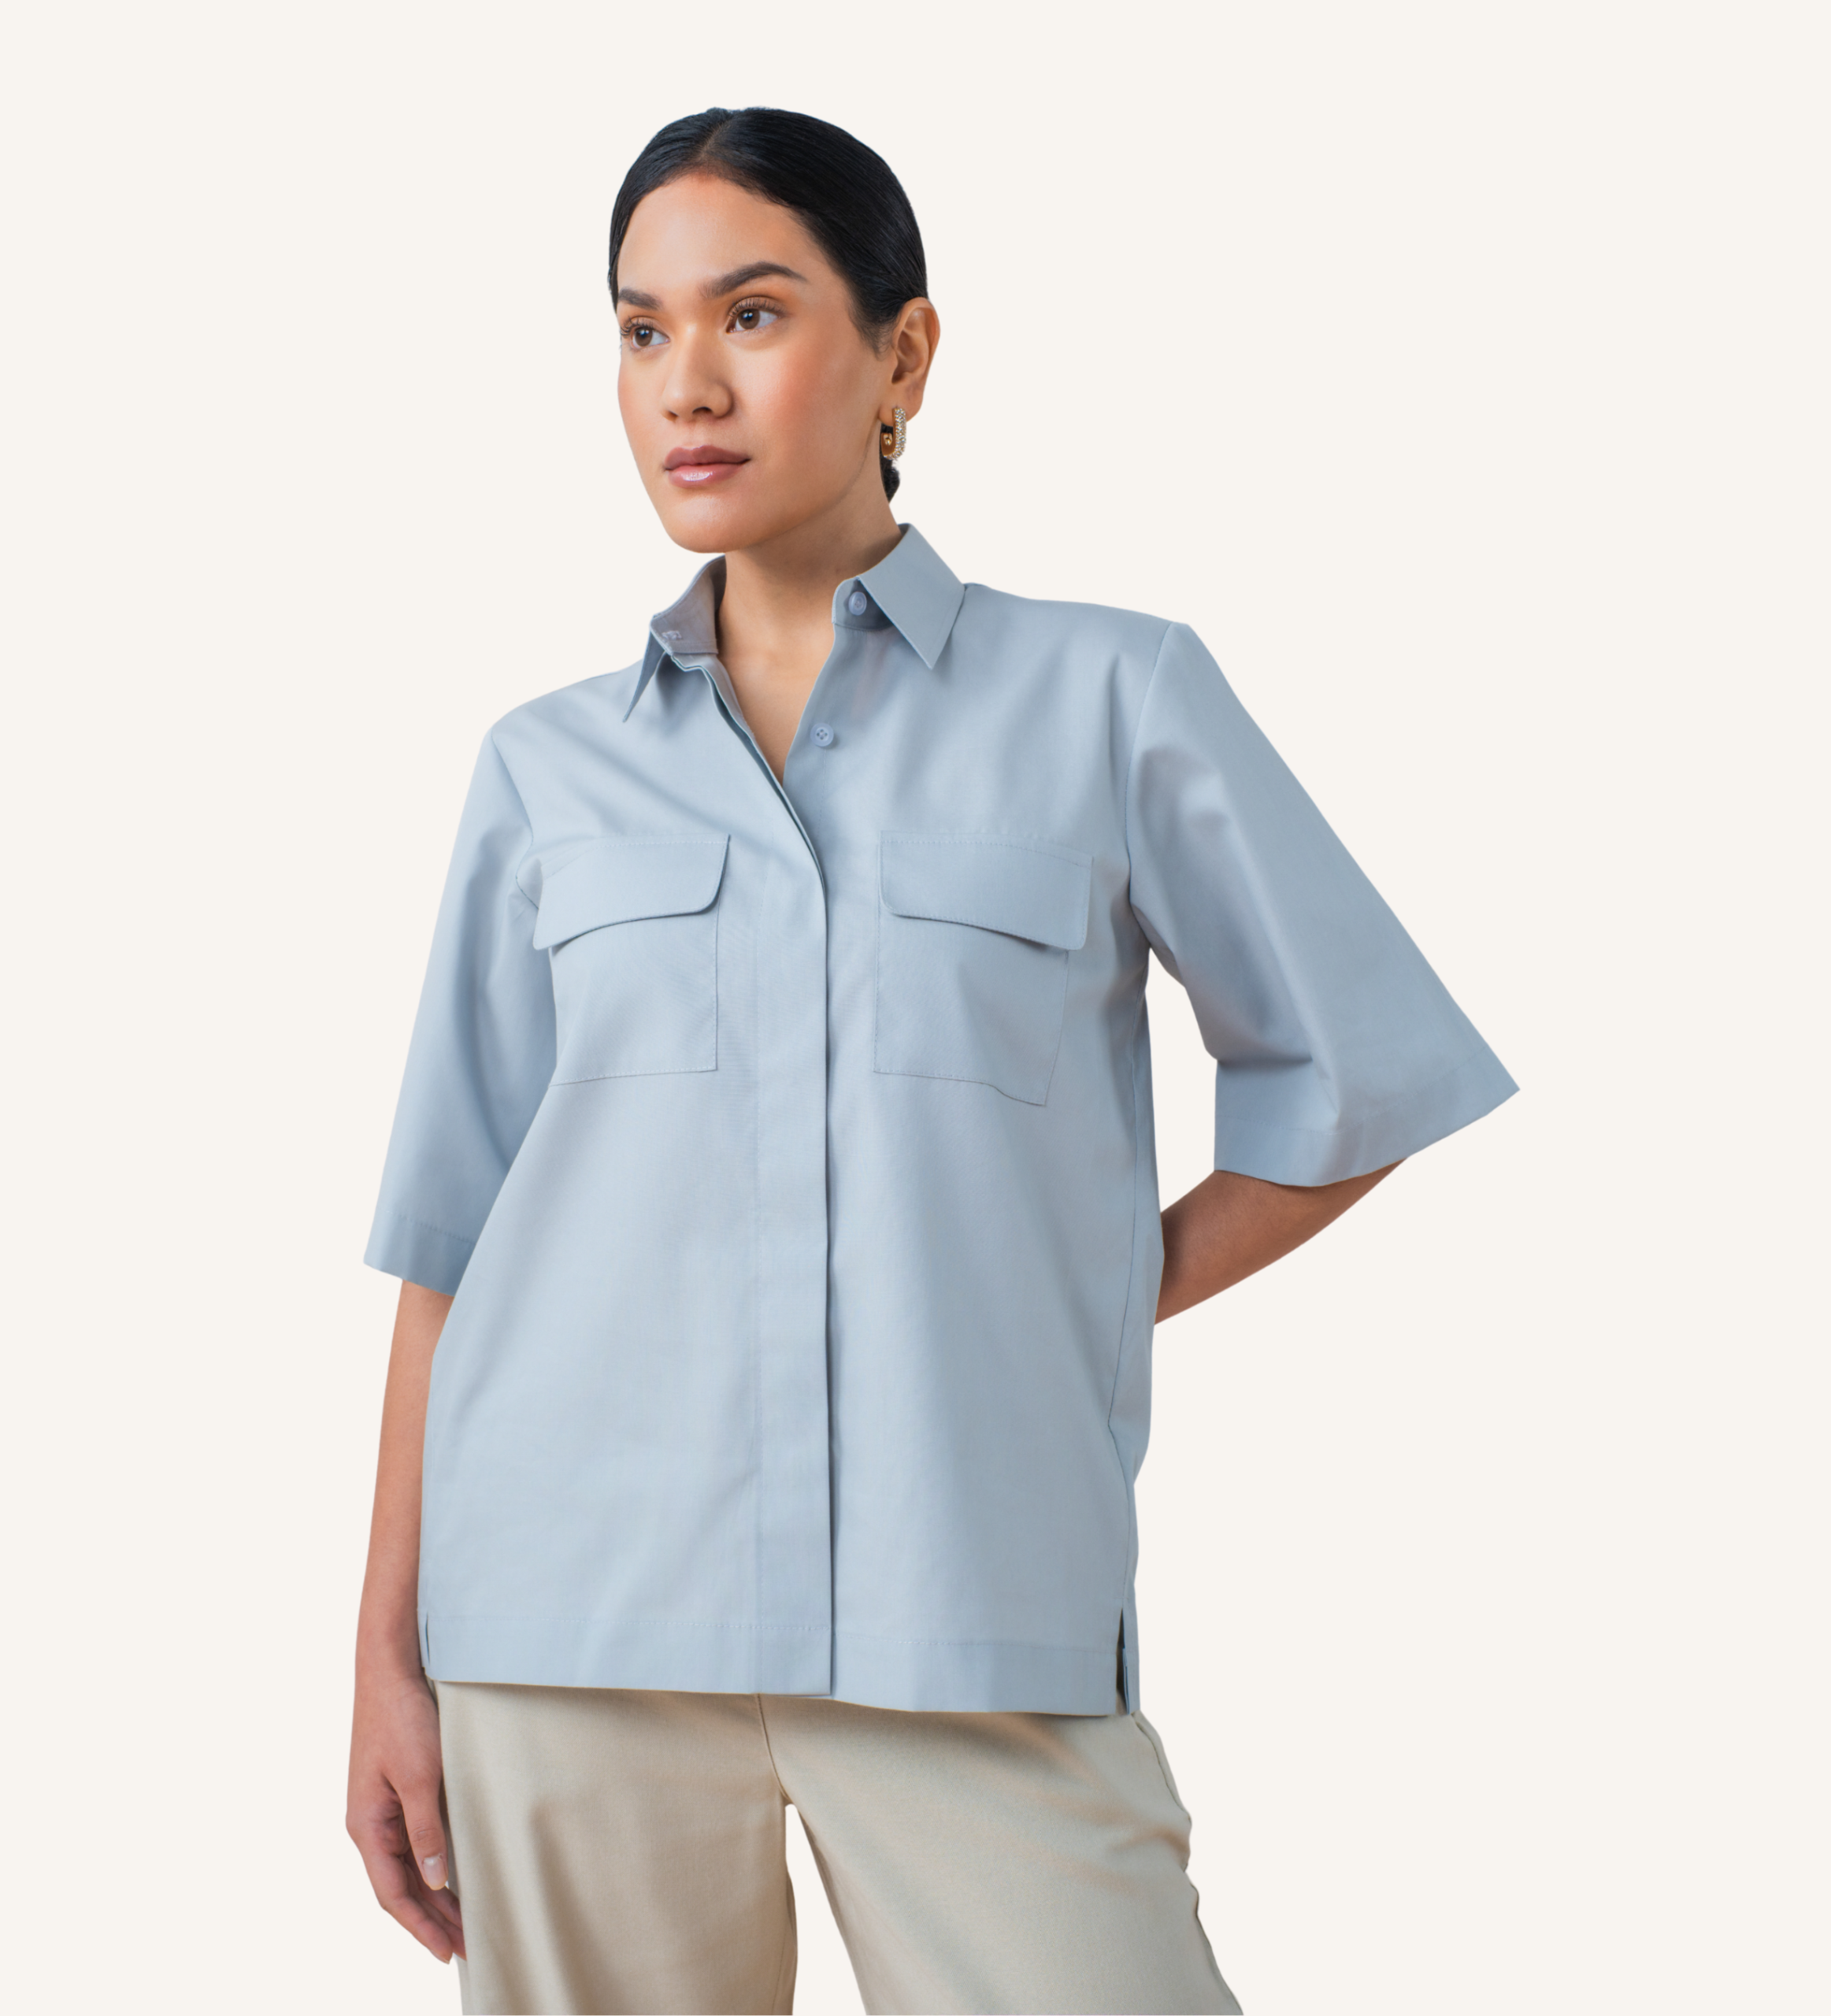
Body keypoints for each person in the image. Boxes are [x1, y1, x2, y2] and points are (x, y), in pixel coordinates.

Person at [345, 106, 1514, 2016]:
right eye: (638, 330)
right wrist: (385, 1657)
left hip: (964, 1602)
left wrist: (1083, 1282)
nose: (684, 383)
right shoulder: (543, 769)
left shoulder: (1109, 695)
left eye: (750, 313)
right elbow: (452, 1243)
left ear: (901, 355)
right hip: (562, 1623)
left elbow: (1351, 1073)